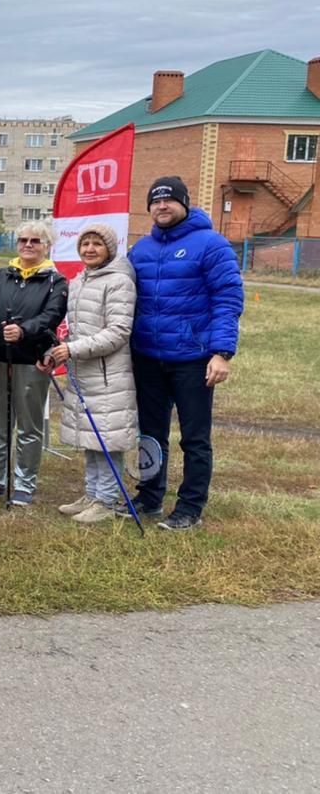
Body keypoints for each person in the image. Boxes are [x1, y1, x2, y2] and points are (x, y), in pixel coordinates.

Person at [126, 176, 243, 530]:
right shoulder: (141, 250)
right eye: (156, 201)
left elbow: (228, 298)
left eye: (169, 200)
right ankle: (149, 498)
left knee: (194, 438)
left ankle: (190, 507)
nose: (162, 206)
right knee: (150, 434)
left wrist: (222, 352)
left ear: (184, 203)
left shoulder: (212, 245)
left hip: (193, 359)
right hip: (148, 357)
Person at [40, 223, 137, 524]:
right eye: (85, 244)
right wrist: (55, 352)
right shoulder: (80, 281)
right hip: (84, 372)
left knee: (106, 438)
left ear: (110, 248)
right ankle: (93, 493)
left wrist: (74, 349)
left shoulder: (119, 282)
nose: (90, 249)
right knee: (91, 437)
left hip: (109, 375)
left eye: (97, 243)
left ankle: (107, 500)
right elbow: (77, 331)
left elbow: (119, 332)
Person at [0, 219, 68, 506]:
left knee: (28, 425)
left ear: (47, 246)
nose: (27, 245)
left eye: (35, 241)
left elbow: (51, 316)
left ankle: (24, 483)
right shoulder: (0, 275)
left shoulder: (55, 281)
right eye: (23, 240)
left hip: (30, 360)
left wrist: (24, 330)